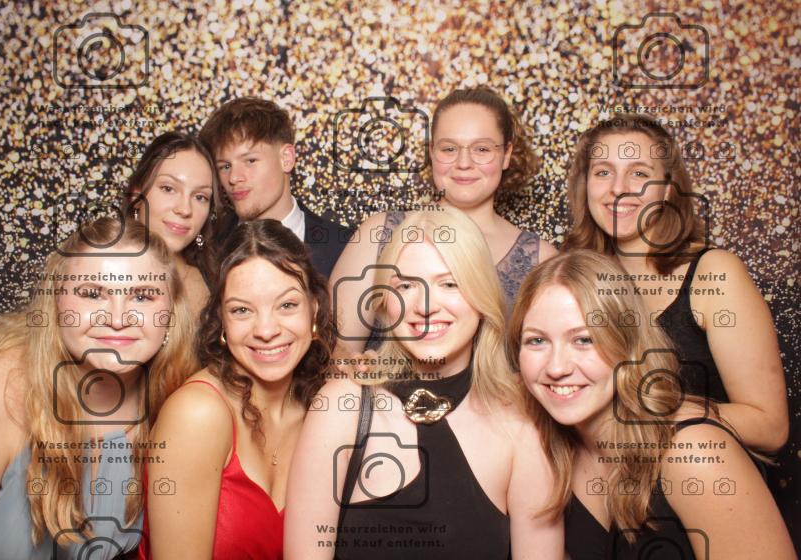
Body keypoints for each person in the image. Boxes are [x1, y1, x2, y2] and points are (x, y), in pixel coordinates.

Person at [286, 209, 564, 559]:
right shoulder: (343, 406)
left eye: (449, 283)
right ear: (385, 302)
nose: (426, 306)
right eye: (405, 286)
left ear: (481, 295)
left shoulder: (521, 425)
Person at [507, 250, 794, 559]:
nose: (556, 367)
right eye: (536, 341)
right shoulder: (548, 455)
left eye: (584, 340)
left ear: (628, 345)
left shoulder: (695, 456)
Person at [0, 217, 198, 559]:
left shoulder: (181, 403)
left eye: (142, 296)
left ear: (171, 313)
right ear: (56, 302)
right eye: (92, 294)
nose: (118, 318)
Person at [561, 114, 788, 453]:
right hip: (603, 473)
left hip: (702, 474)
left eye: (639, 173)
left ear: (668, 188)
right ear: (586, 186)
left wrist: (650, 411)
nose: (618, 188)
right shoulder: (572, 279)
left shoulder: (714, 274)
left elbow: (770, 427)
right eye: (603, 172)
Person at [139, 219, 335, 559]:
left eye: (287, 305)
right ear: (222, 320)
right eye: (242, 310)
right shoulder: (197, 415)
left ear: (314, 309)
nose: (266, 330)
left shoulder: (323, 409)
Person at [330, 87, 557, 355]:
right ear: (432, 152)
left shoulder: (540, 259)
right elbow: (335, 353)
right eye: (449, 148)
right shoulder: (379, 234)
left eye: (482, 149)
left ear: (506, 154)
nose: (464, 163)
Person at [199, 96, 351, 278]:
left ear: (286, 159)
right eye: (225, 166)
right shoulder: (205, 249)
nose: (233, 178)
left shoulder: (345, 248)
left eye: (250, 161)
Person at [124, 131, 225, 317]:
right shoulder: (99, 271)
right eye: (168, 188)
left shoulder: (217, 281)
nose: (185, 209)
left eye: (200, 197)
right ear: (137, 195)